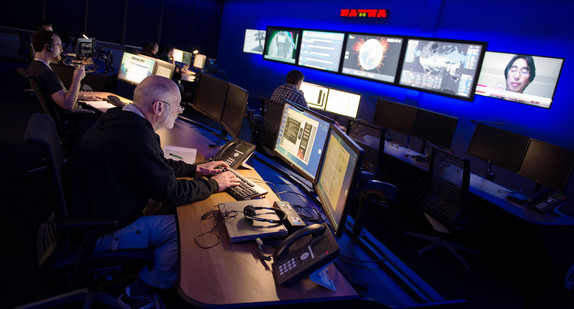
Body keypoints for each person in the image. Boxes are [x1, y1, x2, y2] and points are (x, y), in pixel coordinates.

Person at [67, 75, 240, 308]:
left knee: (170, 210)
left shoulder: (119, 118)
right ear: (159, 107)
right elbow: (173, 193)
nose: (179, 111)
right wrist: (215, 184)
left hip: (86, 210)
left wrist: (196, 169)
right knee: (184, 230)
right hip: (99, 229)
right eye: (177, 106)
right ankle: (137, 295)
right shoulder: (137, 135)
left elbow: (155, 162)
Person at [27, 30, 100, 112]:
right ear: (48, 47)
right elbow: (68, 105)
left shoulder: (36, 66)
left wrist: (82, 97)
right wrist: (77, 78)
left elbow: (59, 95)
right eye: (58, 46)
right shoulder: (46, 74)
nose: (61, 50)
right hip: (71, 118)